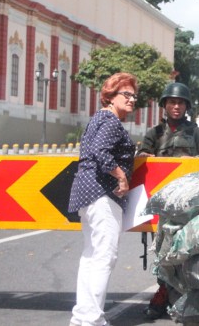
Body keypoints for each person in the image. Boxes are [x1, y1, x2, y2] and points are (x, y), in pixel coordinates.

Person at [138, 82, 199, 319]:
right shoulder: (154, 134)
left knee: (186, 249)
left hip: (187, 203)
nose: (176, 106)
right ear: (164, 105)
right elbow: (142, 157)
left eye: (180, 103)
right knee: (163, 250)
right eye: (172, 102)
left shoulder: (196, 133)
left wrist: (192, 161)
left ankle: (186, 295)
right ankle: (163, 290)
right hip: (162, 203)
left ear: (186, 106)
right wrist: (144, 157)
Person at [68, 72, 138, 326]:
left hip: (88, 194)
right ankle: (91, 319)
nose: (132, 100)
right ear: (111, 96)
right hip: (102, 194)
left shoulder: (99, 118)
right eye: (126, 94)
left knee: (91, 255)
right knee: (104, 256)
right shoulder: (110, 121)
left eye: (134, 95)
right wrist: (121, 176)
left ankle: (84, 317)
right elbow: (100, 152)